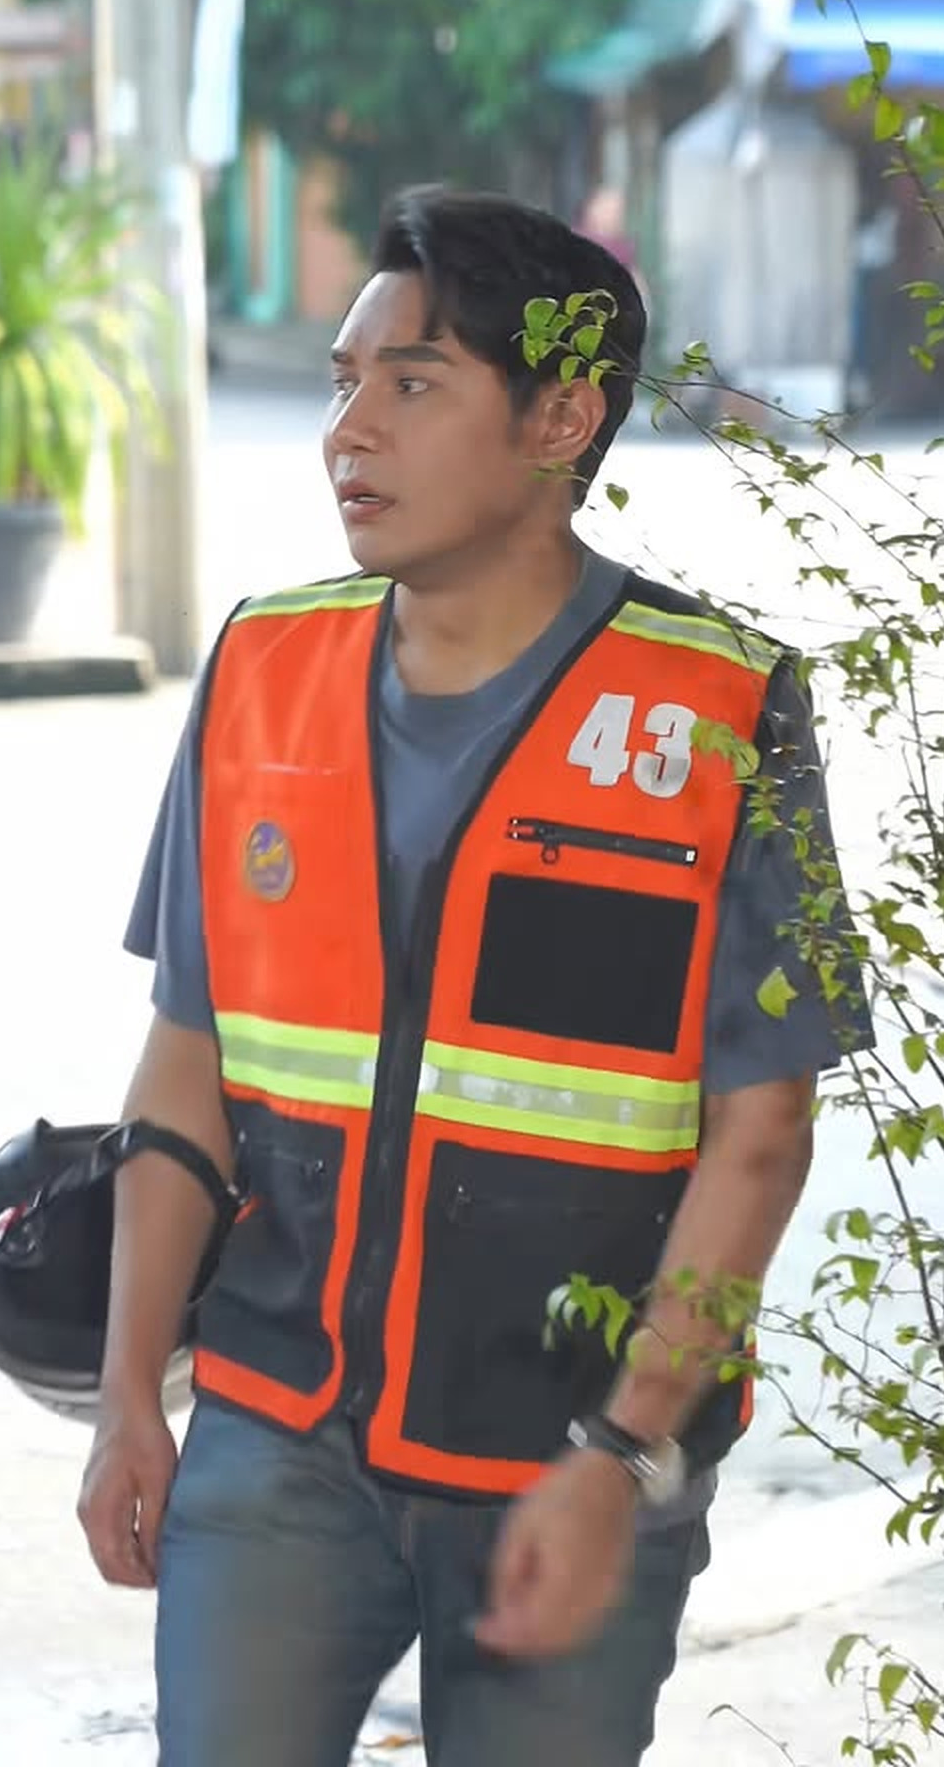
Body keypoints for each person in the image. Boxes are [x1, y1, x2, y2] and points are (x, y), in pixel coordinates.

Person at [77, 186, 872, 1767]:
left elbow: (761, 1137)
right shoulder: (263, 667)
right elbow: (185, 1063)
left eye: (414, 382)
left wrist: (624, 1454)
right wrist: (124, 1401)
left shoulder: (717, 711)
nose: (349, 431)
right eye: (343, 383)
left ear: (561, 418)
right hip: (274, 1429)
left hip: (568, 1456)